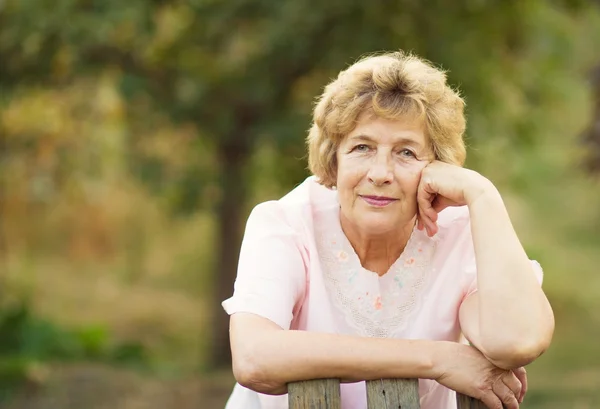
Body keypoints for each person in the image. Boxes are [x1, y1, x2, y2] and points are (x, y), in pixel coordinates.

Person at [221, 51, 555, 409]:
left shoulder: (460, 233)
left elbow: (516, 341)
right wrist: (437, 360)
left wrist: (482, 195)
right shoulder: (284, 223)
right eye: (362, 147)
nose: (380, 173)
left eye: (406, 153)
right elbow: (254, 357)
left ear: (437, 166)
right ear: (335, 159)